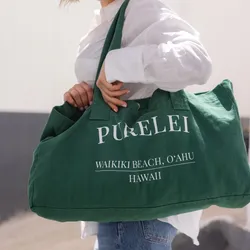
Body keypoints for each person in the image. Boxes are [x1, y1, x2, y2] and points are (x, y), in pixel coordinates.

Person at [61, 0, 212, 249]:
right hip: (114, 195)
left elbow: (197, 60)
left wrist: (117, 65)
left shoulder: (142, 7)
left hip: (140, 201)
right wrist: (84, 95)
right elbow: (117, 92)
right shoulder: (103, 18)